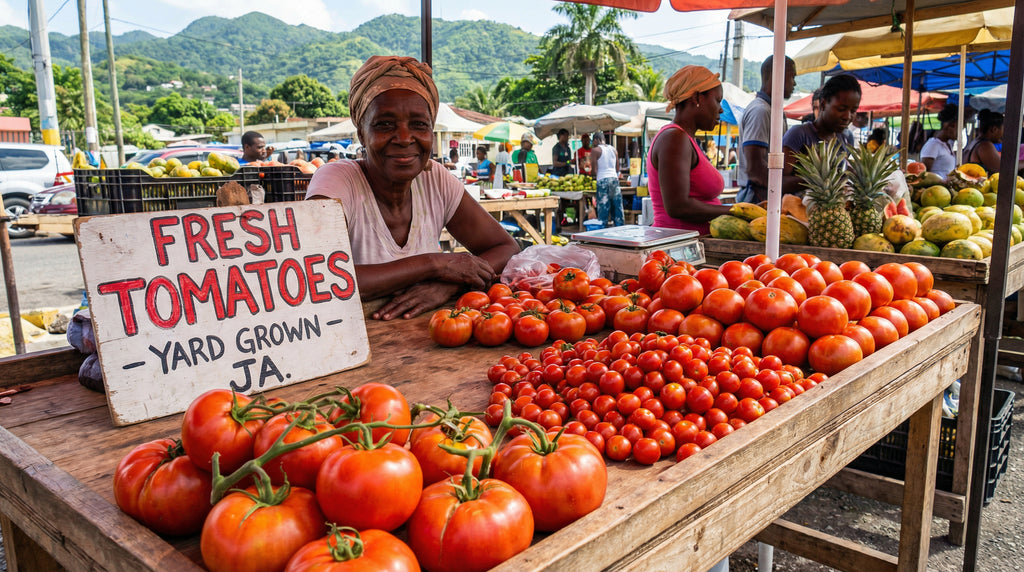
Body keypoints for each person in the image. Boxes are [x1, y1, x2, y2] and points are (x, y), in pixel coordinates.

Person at [305, 55, 519, 320]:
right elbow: (317, 275)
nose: (405, 138)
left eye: (419, 125)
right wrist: (433, 264)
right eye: (385, 124)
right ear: (361, 132)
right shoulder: (336, 180)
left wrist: (448, 284)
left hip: (423, 344)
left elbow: (506, 247)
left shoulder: (435, 179)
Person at [646, 65, 732, 234]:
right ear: (697, 98)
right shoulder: (674, 138)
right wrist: (735, 211)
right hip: (677, 246)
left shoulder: (685, 139)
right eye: (717, 100)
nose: (720, 109)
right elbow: (678, 206)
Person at [782, 74, 862, 194]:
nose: (847, 117)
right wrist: (818, 179)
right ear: (823, 104)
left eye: (853, 111)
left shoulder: (846, 138)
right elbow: (778, 182)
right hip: (795, 209)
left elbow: (841, 171)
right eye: (841, 109)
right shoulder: (799, 134)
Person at [737, 55, 797, 203]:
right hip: (757, 200)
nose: (794, 83)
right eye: (792, 76)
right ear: (777, 74)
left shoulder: (772, 110)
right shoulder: (761, 111)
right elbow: (756, 170)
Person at [588, 131, 624, 227]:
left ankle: (602, 231)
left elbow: (594, 171)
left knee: (603, 209)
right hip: (614, 179)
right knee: (617, 207)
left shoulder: (595, 150)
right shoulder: (613, 149)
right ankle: (620, 229)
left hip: (602, 180)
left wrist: (590, 175)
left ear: (596, 140)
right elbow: (617, 169)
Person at [920, 104, 959, 178]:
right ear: (950, 126)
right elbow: (924, 175)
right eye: (958, 129)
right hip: (935, 187)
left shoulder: (948, 145)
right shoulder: (933, 145)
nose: (959, 133)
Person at [963, 109, 1004, 174]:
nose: (1003, 134)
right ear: (994, 129)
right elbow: (1003, 169)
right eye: (1003, 130)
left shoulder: (975, 142)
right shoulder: (985, 145)